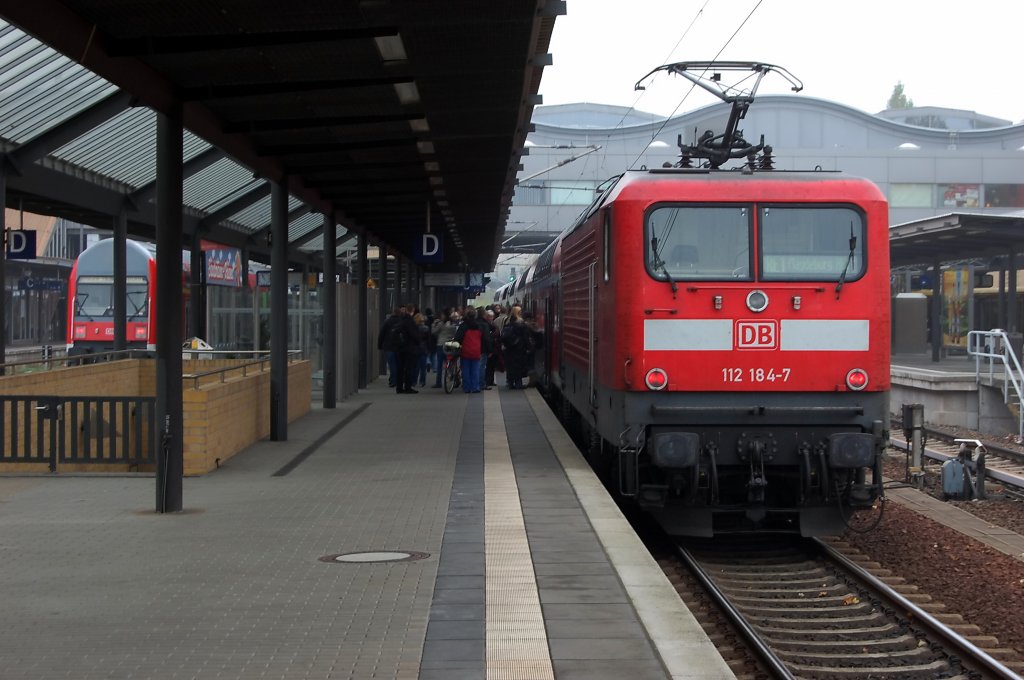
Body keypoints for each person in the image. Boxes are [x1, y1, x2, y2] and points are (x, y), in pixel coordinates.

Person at [452, 307, 491, 393]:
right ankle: (475, 387)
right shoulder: (479, 326)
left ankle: (467, 387)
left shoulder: (463, 326)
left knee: (465, 370)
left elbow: (458, 338)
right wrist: (489, 349)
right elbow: (485, 339)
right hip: (476, 350)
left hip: (465, 350)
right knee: (475, 370)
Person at [501, 306, 531, 389]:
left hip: (508, 348)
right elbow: (525, 337)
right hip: (519, 348)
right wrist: (528, 347)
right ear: (519, 313)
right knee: (518, 366)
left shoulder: (507, 321)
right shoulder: (521, 323)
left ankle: (510, 383)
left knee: (510, 366)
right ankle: (518, 384)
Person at [393, 305, 420, 394]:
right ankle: (408, 387)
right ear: (412, 310)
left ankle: (399, 387)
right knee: (408, 368)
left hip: (399, 348)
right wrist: (419, 340)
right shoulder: (409, 321)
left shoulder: (400, 320)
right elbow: (413, 334)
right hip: (409, 348)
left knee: (400, 368)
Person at [377, 306, 403, 387]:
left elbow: (382, 334)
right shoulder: (402, 322)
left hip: (388, 346)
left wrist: (380, 345)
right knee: (398, 364)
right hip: (399, 347)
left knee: (392, 364)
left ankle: (393, 380)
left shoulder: (387, 322)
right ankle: (396, 380)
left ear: (393, 313)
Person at [432, 311, 459, 388]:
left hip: (441, 344)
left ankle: (438, 382)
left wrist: (434, 324)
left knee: (439, 364)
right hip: (450, 344)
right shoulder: (453, 324)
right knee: (451, 362)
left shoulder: (441, 324)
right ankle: (453, 377)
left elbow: (434, 332)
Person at [413, 312, 430, 387]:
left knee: (416, 367)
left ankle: (414, 381)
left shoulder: (414, 329)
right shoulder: (426, 328)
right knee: (423, 367)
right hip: (424, 348)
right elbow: (428, 339)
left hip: (415, 348)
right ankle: (422, 381)